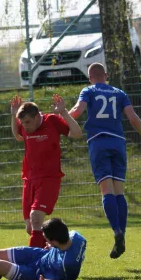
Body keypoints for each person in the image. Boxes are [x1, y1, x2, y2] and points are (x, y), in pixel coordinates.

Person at [69, 62, 141, 259]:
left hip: (98, 142)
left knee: (106, 190)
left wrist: (59, 117)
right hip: (118, 143)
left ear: (90, 78)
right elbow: (132, 117)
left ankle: (116, 231)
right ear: (106, 75)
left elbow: (77, 111)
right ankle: (121, 233)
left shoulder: (88, 90)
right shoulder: (119, 93)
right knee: (119, 191)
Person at [10, 94, 83, 248]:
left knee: (36, 218)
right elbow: (17, 136)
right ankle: (60, 252)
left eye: (28, 122)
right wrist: (13, 115)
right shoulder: (25, 126)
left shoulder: (52, 121)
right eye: (22, 123)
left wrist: (63, 113)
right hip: (29, 179)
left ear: (37, 116)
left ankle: (33, 263)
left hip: (49, 178)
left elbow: (77, 133)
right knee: (31, 228)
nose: (25, 126)